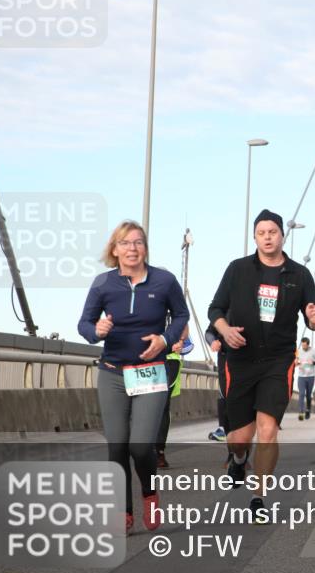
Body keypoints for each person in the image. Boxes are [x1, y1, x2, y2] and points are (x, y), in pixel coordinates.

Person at [208, 209, 315, 521]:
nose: (267, 237)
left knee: (268, 430)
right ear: (255, 237)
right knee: (239, 439)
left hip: (278, 360)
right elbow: (215, 309)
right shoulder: (238, 269)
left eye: (273, 232)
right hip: (241, 359)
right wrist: (225, 330)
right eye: (261, 233)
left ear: (282, 235)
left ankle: (259, 497)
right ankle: (238, 459)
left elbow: (313, 318)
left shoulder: (299, 274)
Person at [78, 220, 189, 534]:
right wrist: (96, 331)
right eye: (125, 243)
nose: (132, 248)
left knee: (140, 447)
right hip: (112, 373)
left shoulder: (164, 281)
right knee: (117, 447)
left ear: (145, 248)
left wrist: (165, 340)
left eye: (138, 242)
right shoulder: (103, 284)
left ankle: (149, 494)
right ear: (114, 249)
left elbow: (181, 314)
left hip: (150, 373)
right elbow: (84, 324)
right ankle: (123, 511)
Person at [155, 326, 192, 468]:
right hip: (145, 360)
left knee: (162, 406)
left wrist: (180, 344)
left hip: (170, 362)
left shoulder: (175, 313)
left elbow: (188, 344)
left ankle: (159, 451)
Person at [205, 324, 229, 442]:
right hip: (225, 357)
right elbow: (209, 333)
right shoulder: (222, 314)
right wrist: (213, 342)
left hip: (248, 360)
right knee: (223, 393)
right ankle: (222, 429)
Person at [295, 337, 315, 421]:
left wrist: (314, 362)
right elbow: (295, 361)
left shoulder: (313, 351)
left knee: (308, 395)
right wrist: (296, 363)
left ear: (308, 345)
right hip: (301, 377)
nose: (303, 347)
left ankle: (308, 410)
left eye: (305, 346)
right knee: (301, 394)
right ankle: (301, 412)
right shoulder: (298, 351)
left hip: (310, 376)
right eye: (302, 345)